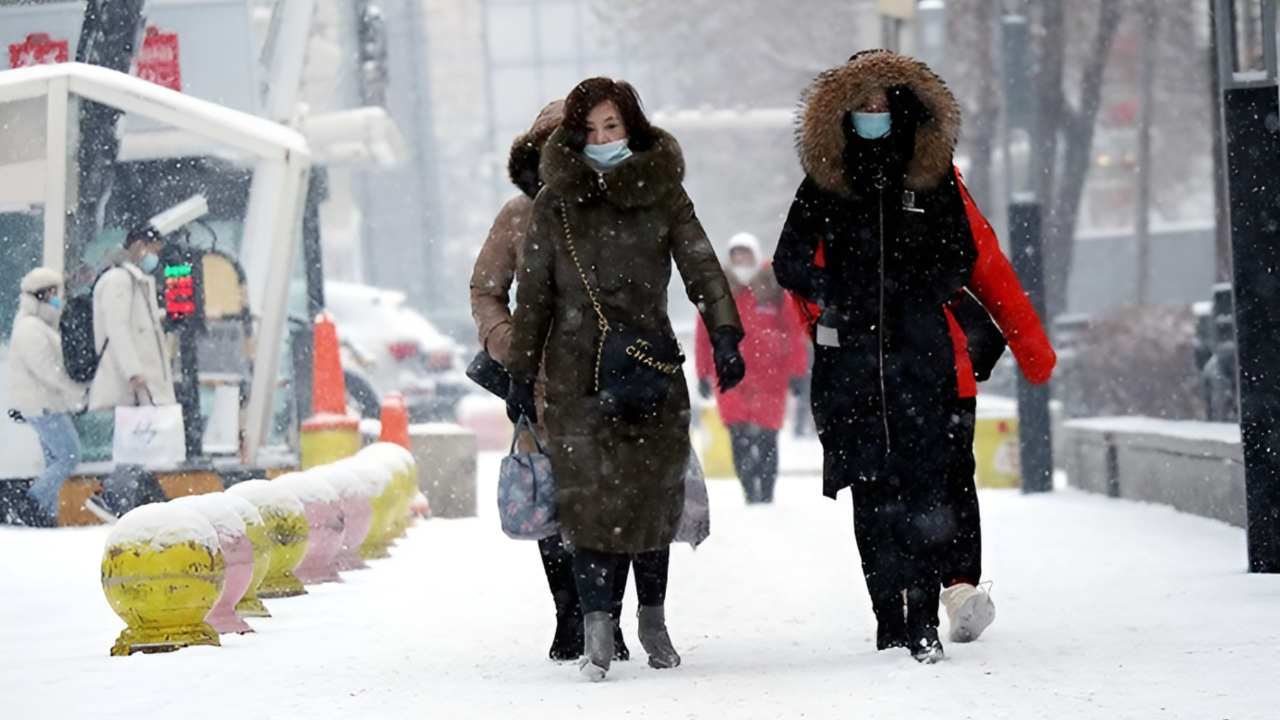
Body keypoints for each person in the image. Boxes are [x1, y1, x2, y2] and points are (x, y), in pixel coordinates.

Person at [505, 77, 745, 680]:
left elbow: (700, 262)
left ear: (631, 126)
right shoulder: (555, 203)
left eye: (611, 126)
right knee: (586, 502)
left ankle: (653, 618)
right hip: (573, 375)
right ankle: (595, 629)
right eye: (588, 130)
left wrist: (724, 331)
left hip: (649, 368)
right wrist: (519, 372)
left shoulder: (663, 192)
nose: (601, 139)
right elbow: (532, 295)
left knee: (652, 495)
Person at [774, 49, 985, 663]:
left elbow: (961, 256)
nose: (872, 112)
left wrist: (917, 294)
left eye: (881, 101)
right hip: (853, 363)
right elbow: (789, 260)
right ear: (843, 112)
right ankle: (885, 615)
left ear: (901, 106)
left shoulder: (932, 175)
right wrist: (837, 294)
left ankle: (921, 617)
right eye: (860, 102)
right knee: (871, 493)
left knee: (924, 490)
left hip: (920, 357)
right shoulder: (825, 180)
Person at [469, 99, 633, 663]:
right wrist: (511, 346)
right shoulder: (517, 216)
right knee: (555, 504)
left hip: (617, 376)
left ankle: (609, 618)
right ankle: (570, 617)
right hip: (543, 385)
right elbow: (485, 290)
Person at [694, 232, 808, 504]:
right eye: (736, 257)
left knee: (767, 439)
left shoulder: (775, 292)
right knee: (739, 437)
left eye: (745, 255)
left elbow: (794, 333)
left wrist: (798, 372)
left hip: (771, 379)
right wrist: (702, 374)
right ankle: (750, 493)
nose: (741, 261)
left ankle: (766, 494)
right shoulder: (717, 294)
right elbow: (703, 337)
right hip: (731, 379)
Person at [86, 225, 176, 519]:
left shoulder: (136, 281)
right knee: (134, 447)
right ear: (138, 245)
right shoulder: (119, 280)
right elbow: (118, 329)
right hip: (129, 381)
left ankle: (139, 503)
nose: (155, 257)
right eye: (153, 249)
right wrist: (134, 372)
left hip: (138, 382)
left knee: (141, 447)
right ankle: (113, 499)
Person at [7, 268, 87, 527]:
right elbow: (47, 370)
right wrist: (75, 389)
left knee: (54, 459)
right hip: (42, 405)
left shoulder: (38, 325)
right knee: (70, 456)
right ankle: (31, 501)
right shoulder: (30, 328)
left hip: (44, 404)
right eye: (52, 293)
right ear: (39, 296)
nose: (56, 298)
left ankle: (44, 514)